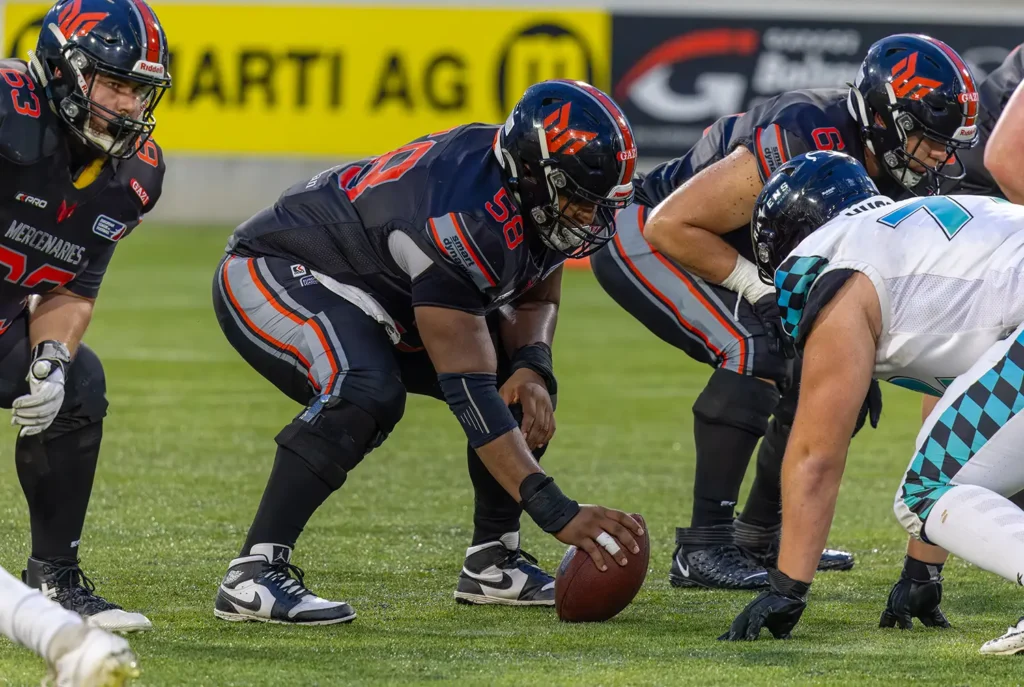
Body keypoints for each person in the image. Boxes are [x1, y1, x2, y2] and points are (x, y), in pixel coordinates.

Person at [211, 79, 644, 623]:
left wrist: (535, 365)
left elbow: (537, 289)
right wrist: (555, 511)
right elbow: (469, 390)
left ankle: (494, 561)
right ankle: (253, 572)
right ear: (534, 177)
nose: (590, 219)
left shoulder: (526, 189)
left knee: (519, 383)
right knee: (366, 389)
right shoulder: (462, 218)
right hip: (277, 269)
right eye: (580, 201)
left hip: (382, 295)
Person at [590, 33, 978, 589]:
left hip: (732, 252)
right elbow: (672, 225)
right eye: (927, 136)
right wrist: (760, 290)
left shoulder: (891, 162)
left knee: (828, 374)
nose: (941, 154)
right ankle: (702, 547)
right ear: (883, 115)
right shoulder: (804, 133)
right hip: (651, 234)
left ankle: (761, 536)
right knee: (753, 348)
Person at [722, 150, 1024, 655]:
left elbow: (815, 457)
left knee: (924, 491)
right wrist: (922, 571)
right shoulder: (921, 233)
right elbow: (961, 426)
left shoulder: (842, 265)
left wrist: (787, 587)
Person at [0, 0, 170, 633]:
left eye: (139, 91)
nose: (129, 106)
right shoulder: (6, 112)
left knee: (77, 382)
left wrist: (50, 359)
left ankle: (54, 577)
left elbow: (72, 287)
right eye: (116, 83)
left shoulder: (132, 175)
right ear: (63, 70)